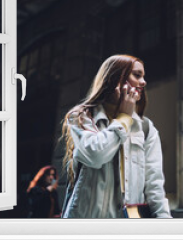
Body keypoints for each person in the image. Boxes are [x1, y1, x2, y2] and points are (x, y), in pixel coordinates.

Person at [60, 54, 171, 218]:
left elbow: (154, 185)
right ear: (116, 78)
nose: (143, 82)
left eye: (143, 76)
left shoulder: (146, 128)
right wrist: (124, 118)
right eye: (137, 75)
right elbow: (95, 155)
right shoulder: (81, 117)